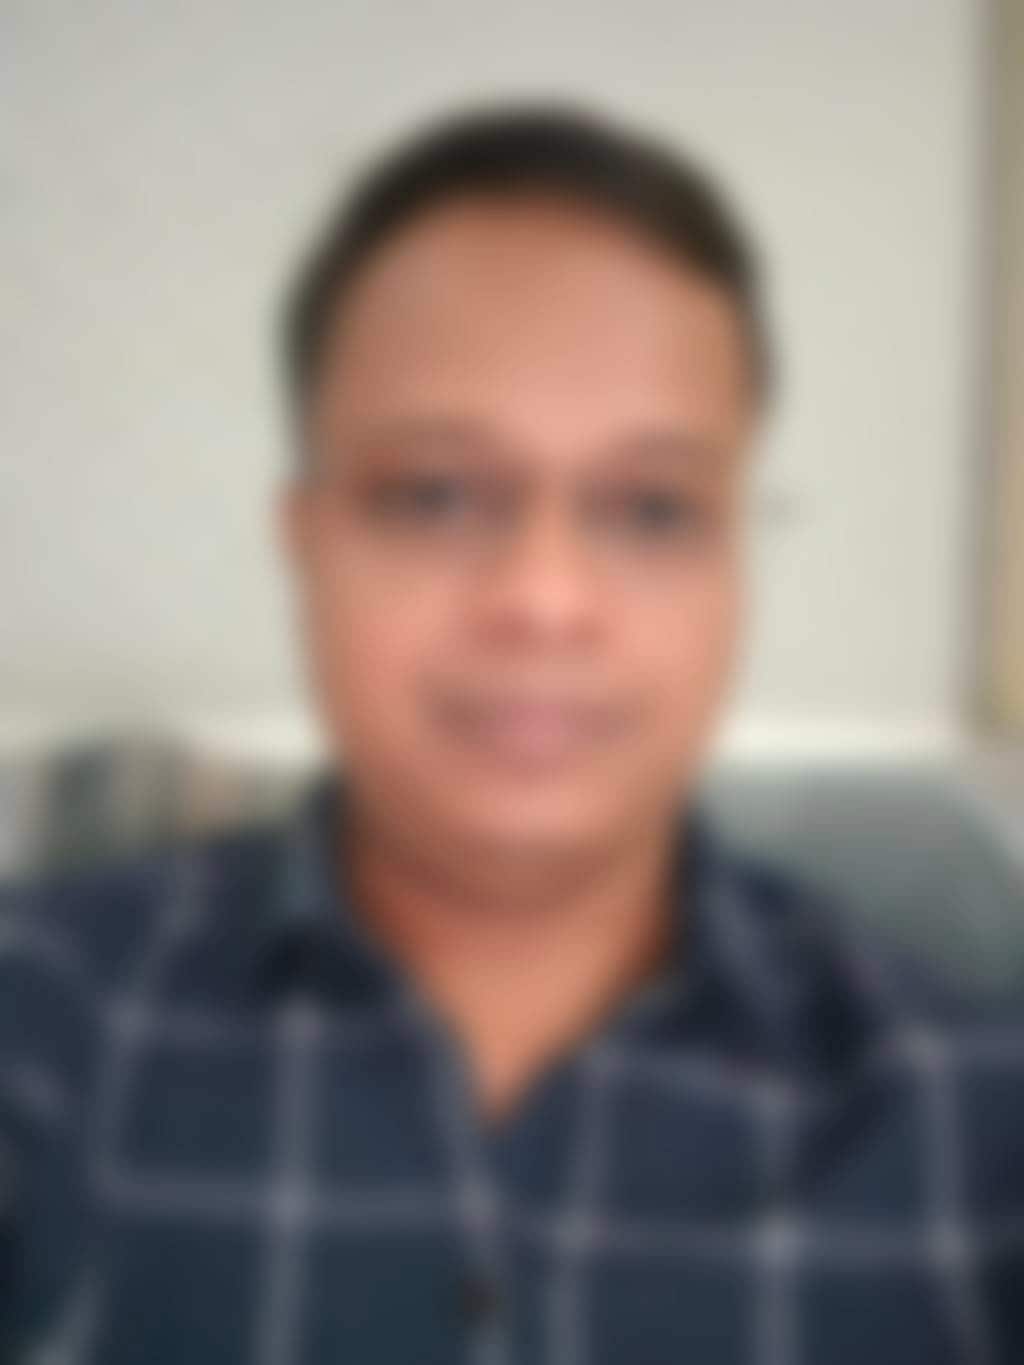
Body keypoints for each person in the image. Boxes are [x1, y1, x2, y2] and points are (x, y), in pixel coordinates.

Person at [1, 102, 1022, 1365]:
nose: (543, 599)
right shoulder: (40, 1030)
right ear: (305, 540)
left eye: (651, 510)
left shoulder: (972, 1125)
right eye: (434, 495)